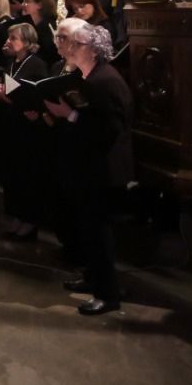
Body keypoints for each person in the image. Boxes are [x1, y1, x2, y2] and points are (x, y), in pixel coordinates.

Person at [47, 17, 135, 315]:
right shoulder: (87, 77)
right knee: (87, 230)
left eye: (75, 43)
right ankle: (93, 278)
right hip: (87, 167)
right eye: (65, 41)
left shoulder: (105, 80)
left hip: (102, 171)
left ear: (93, 49)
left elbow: (110, 130)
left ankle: (107, 294)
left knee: (98, 233)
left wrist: (68, 115)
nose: (68, 48)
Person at [0, 22, 52, 242]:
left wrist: (19, 101)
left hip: (28, 126)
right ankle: (17, 217)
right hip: (10, 124)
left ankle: (30, 221)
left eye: (14, 38)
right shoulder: (10, 63)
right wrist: (0, 93)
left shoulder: (36, 64)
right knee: (12, 175)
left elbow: (39, 94)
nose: (9, 42)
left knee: (27, 176)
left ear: (27, 42)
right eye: (9, 38)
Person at [17, 0, 61, 69]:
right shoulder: (32, 26)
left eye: (27, 1)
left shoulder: (48, 29)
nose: (23, 5)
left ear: (39, 5)